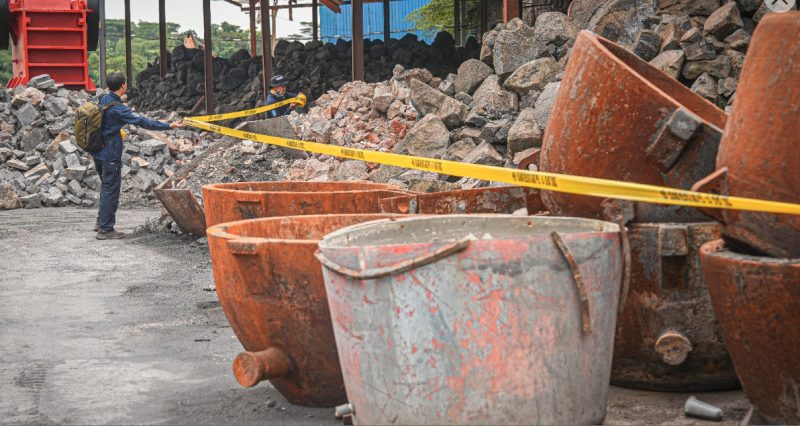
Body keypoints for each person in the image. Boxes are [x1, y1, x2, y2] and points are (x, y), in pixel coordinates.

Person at [92, 72, 184, 240]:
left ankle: (101, 221)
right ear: (123, 86)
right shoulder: (118, 108)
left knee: (106, 187)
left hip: (97, 150)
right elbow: (143, 122)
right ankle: (105, 229)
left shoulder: (102, 99)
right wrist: (169, 125)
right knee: (111, 189)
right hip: (110, 153)